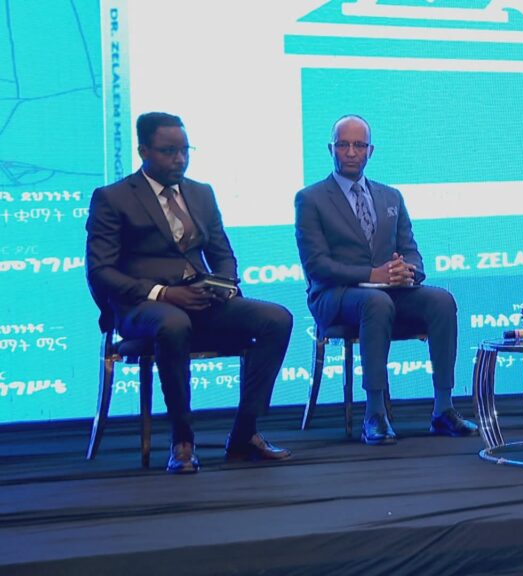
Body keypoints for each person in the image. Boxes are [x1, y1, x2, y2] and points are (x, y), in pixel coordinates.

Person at [86, 112, 294, 474]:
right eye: (169, 151)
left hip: (201, 299)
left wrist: (224, 286)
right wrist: (163, 293)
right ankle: (182, 440)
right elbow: (100, 271)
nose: (179, 159)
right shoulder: (113, 198)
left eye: (185, 150)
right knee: (173, 324)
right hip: (143, 307)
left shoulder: (201, 193)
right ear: (143, 151)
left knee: (277, 319)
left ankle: (244, 433)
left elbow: (222, 253)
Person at [294, 115, 478, 446]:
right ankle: (375, 414)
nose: (351, 152)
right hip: (336, 296)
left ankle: (443, 408)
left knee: (441, 300)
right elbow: (317, 265)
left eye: (359, 145)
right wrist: (372, 276)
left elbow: (411, 251)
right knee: (375, 302)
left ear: (371, 150)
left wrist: (408, 272)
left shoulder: (390, 196)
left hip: (389, 292)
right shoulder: (311, 199)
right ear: (331, 149)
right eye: (343, 145)